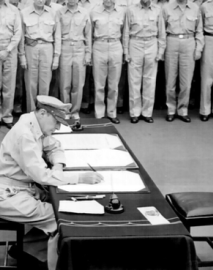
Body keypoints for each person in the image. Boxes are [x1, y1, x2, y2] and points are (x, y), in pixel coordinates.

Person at [0, 95, 104, 270]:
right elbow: (41, 175)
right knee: (61, 218)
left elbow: (54, 146)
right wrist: (79, 178)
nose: (57, 127)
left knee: (63, 205)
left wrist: (58, 164)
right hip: (8, 194)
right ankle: (54, 265)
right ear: (43, 113)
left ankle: (26, 250)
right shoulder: (25, 134)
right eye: (56, 121)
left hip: (23, 187)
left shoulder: (33, 122)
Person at [124, 0, 166, 123]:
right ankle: (135, 113)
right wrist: (126, 51)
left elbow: (161, 32)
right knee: (134, 80)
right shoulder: (131, 9)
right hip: (135, 43)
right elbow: (126, 31)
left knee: (150, 80)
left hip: (152, 43)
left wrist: (160, 52)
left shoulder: (158, 9)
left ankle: (147, 112)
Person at [163, 0, 204, 123]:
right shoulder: (167, 8)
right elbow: (162, 30)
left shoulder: (195, 8)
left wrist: (199, 49)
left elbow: (199, 30)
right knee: (170, 80)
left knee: (186, 82)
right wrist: (162, 49)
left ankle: (182, 110)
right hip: (172, 41)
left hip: (189, 42)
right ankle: (171, 109)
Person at [20, 0, 61, 113]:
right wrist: (22, 56)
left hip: (47, 48)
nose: (40, 0)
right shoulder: (24, 13)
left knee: (45, 83)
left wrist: (56, 57)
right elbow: (21, 37)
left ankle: (43, 113)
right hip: (30, 48)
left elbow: (57, 35)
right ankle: (31, 113)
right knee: (30, 83)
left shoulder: (53, 13)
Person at [90, 0, 126, 124]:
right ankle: (99, 114)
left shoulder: (122, 12)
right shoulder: (94, 11)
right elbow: (89, 33)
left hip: (116, 45)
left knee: (113, 84)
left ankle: (111, 112)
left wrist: (125, 51)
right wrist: (89, 52)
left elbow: (125, 32)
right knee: (99, 83)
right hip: (99, 46)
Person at [57, 0, 91, 120]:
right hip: (64, 47)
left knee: (78, 83)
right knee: (64, 83)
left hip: (79, 48)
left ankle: (75, 111)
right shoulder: (59, 12)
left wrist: (88, 53)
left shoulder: (85, 13)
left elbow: (88, 35)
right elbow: (56, 33)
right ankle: (65, 111)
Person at [0, 0, 21, 129]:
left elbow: (18, 32)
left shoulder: (14, 10)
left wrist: (7, 50)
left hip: (10, 50)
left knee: (9, 86)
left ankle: (7, 116)